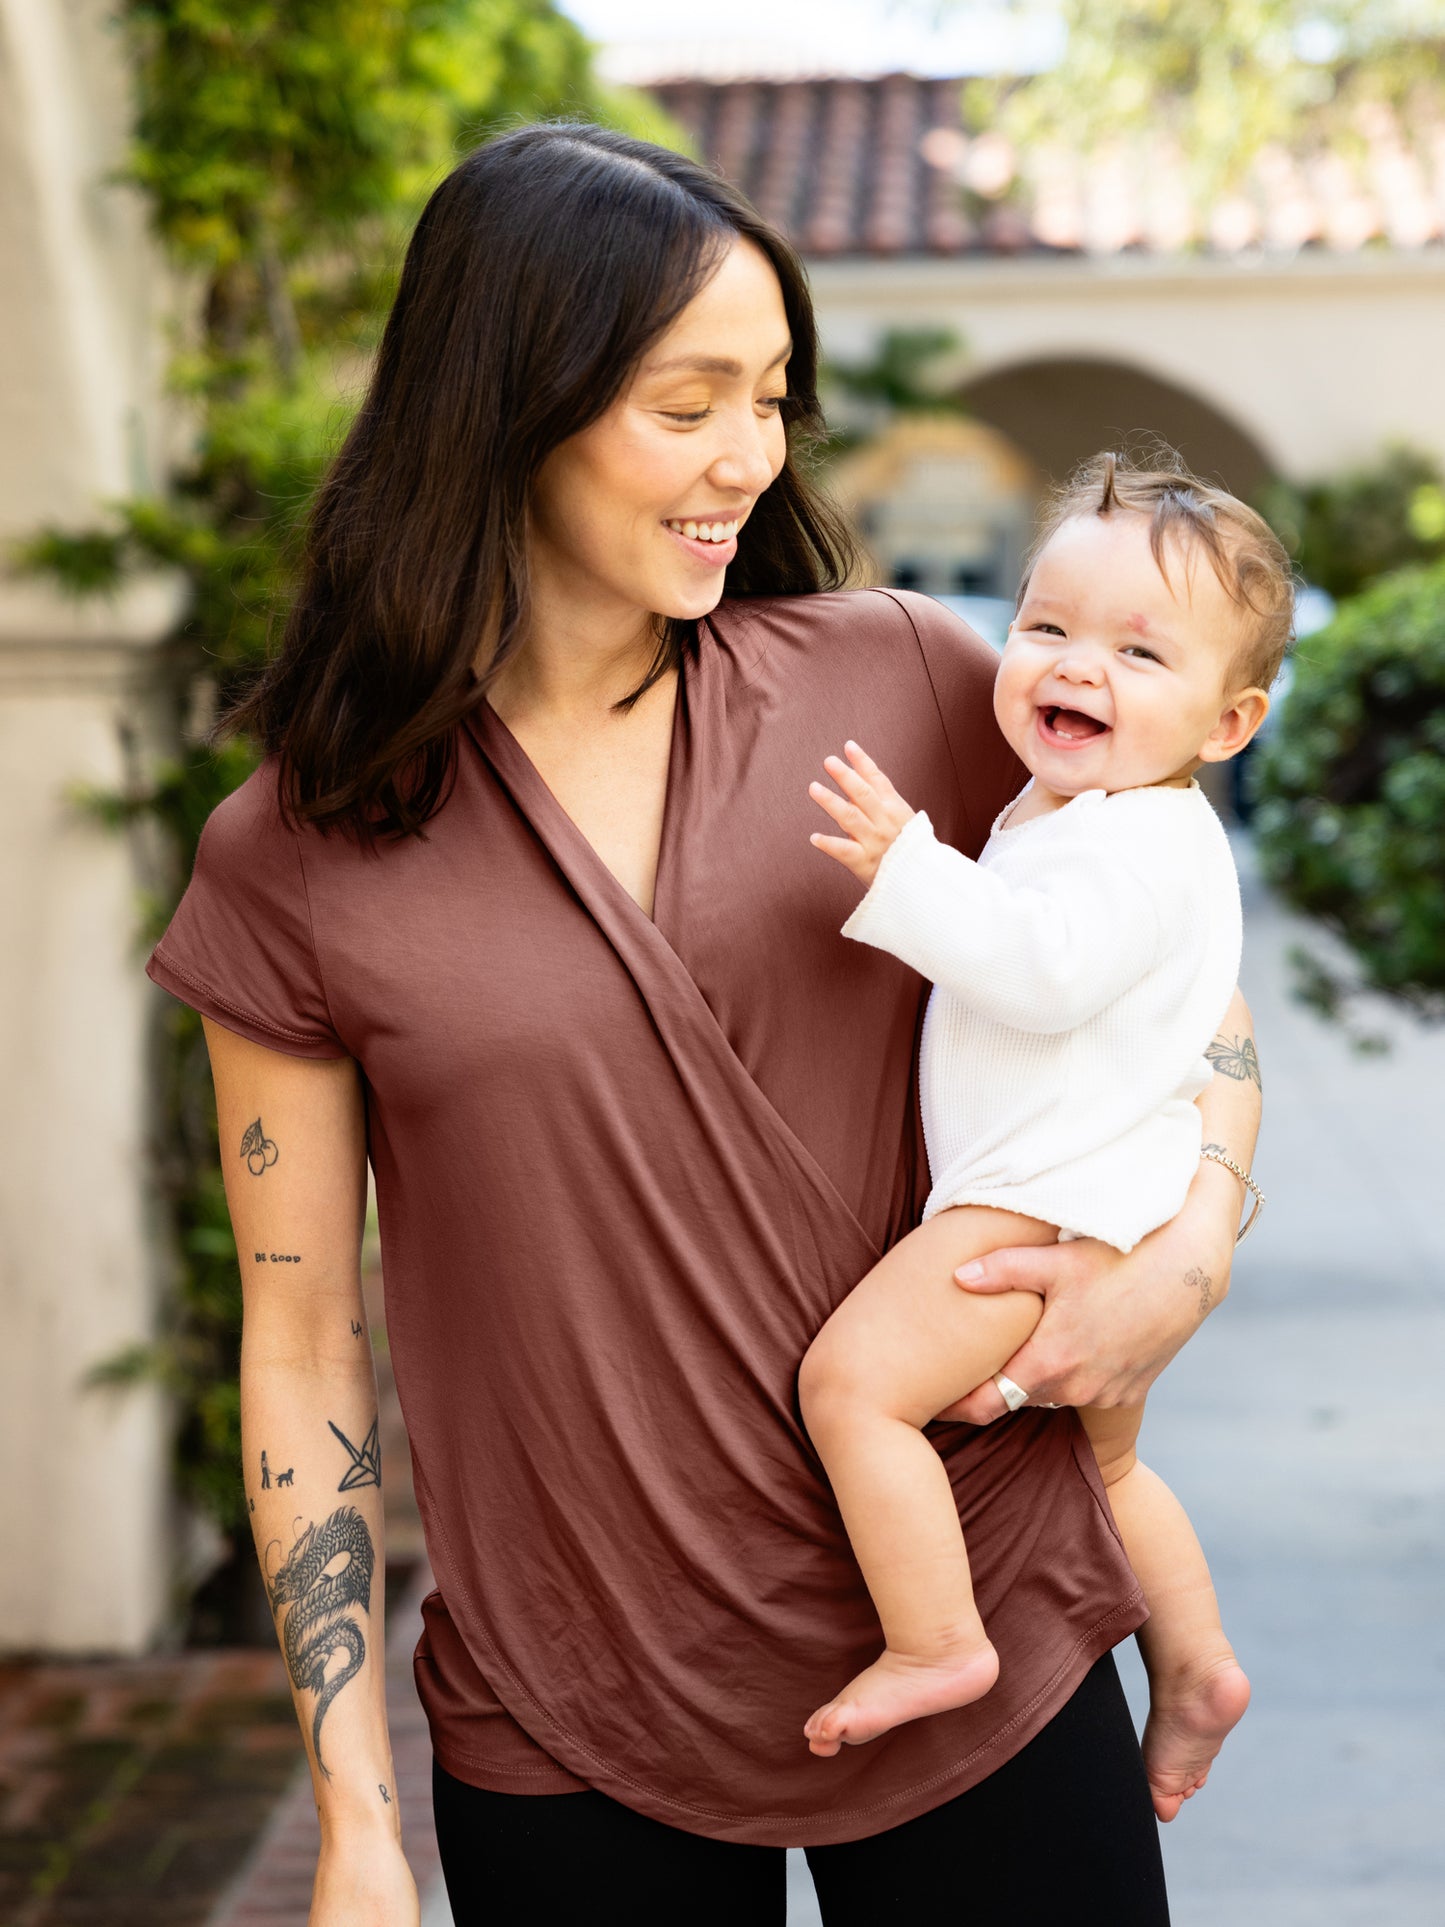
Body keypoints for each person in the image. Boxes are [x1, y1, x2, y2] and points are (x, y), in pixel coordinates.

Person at [144, 125, 1261, 1925]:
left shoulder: (903, 680)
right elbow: (300, 1349)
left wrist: (1182, 1257)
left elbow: (1177, 996)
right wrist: (352, 1820)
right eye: (687, 404)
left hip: (975, 1625)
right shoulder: (299, 850)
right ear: (506, 406)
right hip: (573, 1702)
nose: (748, 457)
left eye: (771, 400)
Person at [800, 454, 1282, 1823]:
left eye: (1140, 650)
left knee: (852, 1391)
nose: (1079, 666)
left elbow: (1043, 970)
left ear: (1231, 719)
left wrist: (906, 870)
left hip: (1034, 1210)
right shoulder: (1097, 812)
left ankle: (936, 1641)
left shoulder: (1131, 841)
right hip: (1100, 1196)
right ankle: (1191, 1664)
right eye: (1047, 626)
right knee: (1108, 1464)